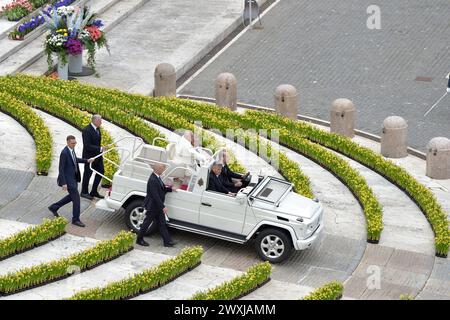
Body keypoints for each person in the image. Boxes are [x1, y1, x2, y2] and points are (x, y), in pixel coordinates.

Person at [48, 135, 94, 227]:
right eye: (72, 143)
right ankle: (75, 219)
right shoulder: (64, 153)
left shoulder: (71, 150)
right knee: (76, 200)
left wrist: (87, 161)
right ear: (68, 142)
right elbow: (61, 169)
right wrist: (64, 183)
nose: (74, 144)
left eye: (75, 143)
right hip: (68, 181)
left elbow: (75, 160)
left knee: (71, 197)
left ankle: (54, 207)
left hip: (74, 178)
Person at [136, 163, 177, 247]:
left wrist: (170, 189)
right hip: (153, 206)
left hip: (157, 206)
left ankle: (167, 242)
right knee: (146, 223)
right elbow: (155, 195)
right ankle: (139, 239)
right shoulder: (152, 179)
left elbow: (162, 188)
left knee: (162, 223)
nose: (163, 170)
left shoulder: (157, 177)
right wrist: (163, 206)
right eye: (162, 169)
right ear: (157, 169)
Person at [81, 114, 107, 200]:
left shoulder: (98, 129)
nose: (101, 123)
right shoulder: (86, 130)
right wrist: (100, 148)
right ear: (95, 121)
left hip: (98, 156)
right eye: (100, 121)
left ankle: (94, 191)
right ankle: (84, 192)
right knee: (87, 174)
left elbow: (97, 142)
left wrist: (100, 148)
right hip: (89, 157)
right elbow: (87, 146)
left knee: (101, 171)